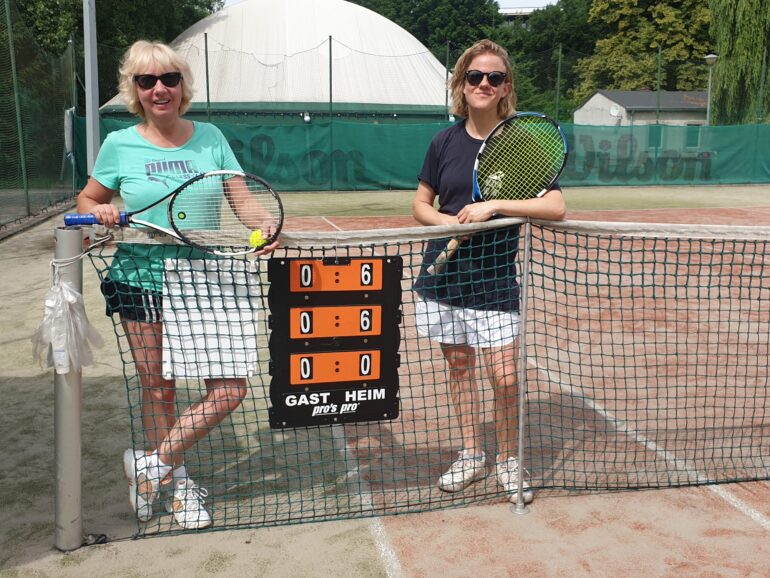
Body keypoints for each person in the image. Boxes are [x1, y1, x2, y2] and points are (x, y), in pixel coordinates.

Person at [76, 40, 277, 529]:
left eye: (169, 78)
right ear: (135, 90)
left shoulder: (210, 137)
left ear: (182, 85)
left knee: (230, 389)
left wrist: (263, 223)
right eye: (147, 81)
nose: (159, 88)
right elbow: (86, 201)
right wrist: (97, 212)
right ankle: (178, 484)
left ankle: (151, 465)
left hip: (206, 276)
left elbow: (241, 199)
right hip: (139, 277)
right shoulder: (119, 144)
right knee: (159, 387)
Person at [412, 39, 565, 503]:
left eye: (494, 77)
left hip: (495, 278)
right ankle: (471, 453)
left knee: (505, 377)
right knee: (459, 369)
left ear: (505, 87)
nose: (483, 83)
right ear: (462, 83)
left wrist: (493, 207)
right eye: (474, 76)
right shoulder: (444, 141)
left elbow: (555, 205)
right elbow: (420, 204)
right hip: (443, 275)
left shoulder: (522, 141)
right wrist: (448, 222)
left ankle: (508, 458)